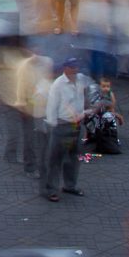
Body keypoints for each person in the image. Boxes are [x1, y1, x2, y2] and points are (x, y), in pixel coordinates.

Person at [41, 57, 86, 202]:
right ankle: (50, 190)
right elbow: (51, 107)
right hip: (62, 125)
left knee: (73, 157)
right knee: (55, 160)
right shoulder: (58, 85)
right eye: (72, 67)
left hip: (77, 125)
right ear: (65, 68)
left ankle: (70, 185)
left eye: (76, 67)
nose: (75, 70)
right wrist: (52, 126)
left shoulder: (80, 79)